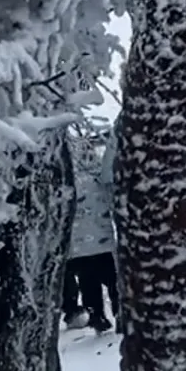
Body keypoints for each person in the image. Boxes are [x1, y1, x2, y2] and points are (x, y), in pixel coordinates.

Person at [66, 123, 119, 333]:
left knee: (89, 283)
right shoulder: (99, 176)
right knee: (112, 279)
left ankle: (96, 314)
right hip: (103, 241)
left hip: (79, 246)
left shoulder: (68, 181)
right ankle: (119, 310)